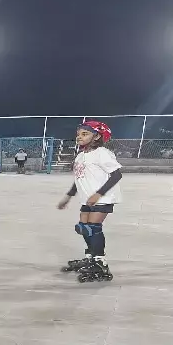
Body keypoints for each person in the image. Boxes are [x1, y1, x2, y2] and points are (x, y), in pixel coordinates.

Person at [57, 120, 122, 282]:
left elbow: (116, 175)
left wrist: (98, 194)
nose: (79, 137)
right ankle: (91, 257)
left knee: (93, 228)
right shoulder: (81, 155)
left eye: (84, 134)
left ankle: (100, 263)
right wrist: (69, 196)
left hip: (102, 198)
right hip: (87, 198)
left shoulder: (102, 153)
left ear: (97, 136)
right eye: (78, 134)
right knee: (83, 228)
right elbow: (79, 178)